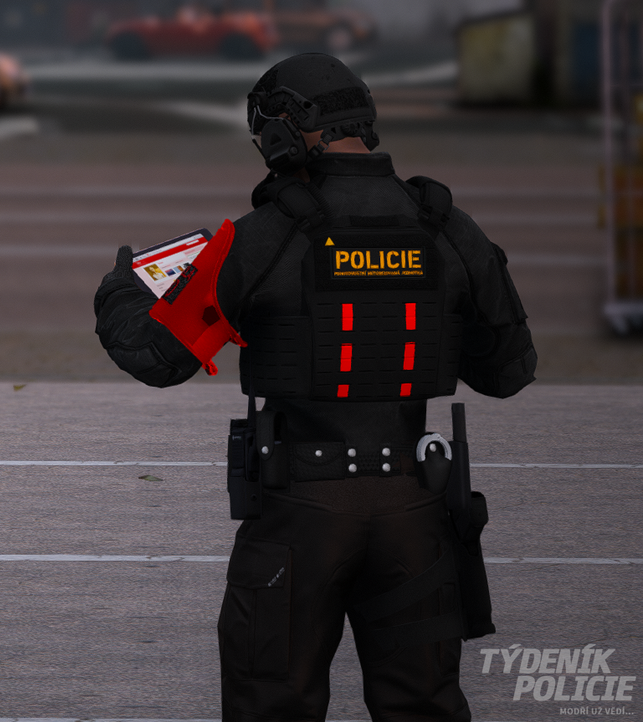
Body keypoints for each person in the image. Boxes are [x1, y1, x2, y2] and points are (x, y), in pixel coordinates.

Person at [92, 53, 536, 721]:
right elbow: (508, 372)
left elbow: (154, 356)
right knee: (423, 706)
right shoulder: (447, 226)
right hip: (417, 507)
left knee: (271, 703)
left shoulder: (263, 236)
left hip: (299, 512)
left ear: (284, 131)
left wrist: (123, 289)